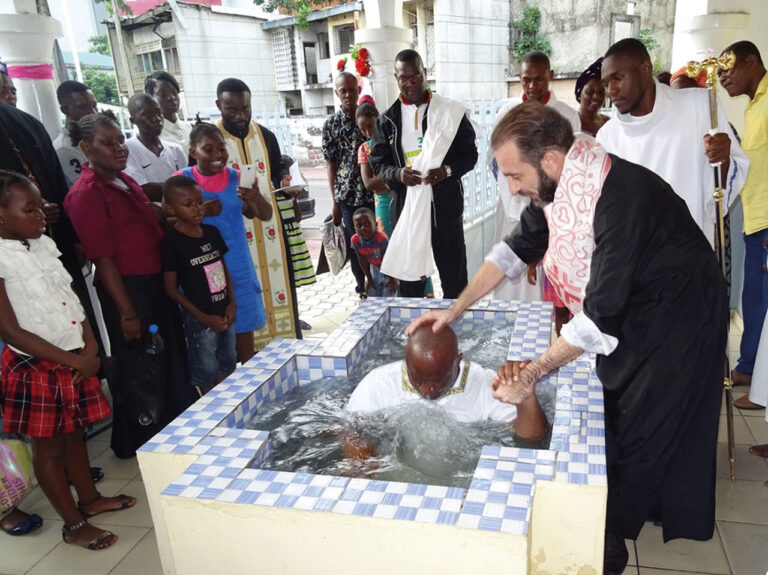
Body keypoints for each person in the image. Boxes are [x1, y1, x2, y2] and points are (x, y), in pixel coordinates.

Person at [408, 102, 728, 575]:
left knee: (645, 413)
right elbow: (515, 250)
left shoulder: (619, 197)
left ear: (551, 161)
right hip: (636, 301)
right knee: (619, 406)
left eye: (516, 176)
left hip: (679, 308)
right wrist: (456, 308)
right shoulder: (562, 186)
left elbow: (597, 320)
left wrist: (533, 371)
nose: (514, 189)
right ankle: (634, 503)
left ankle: (609, 538)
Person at [0, 171, 136, 550]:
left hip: (75, 355)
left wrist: (90, 348)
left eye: (41, 204)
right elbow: (11, 331)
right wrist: (73, 361)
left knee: (74, 433)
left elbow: (73, 303)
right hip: (38, 365)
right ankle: (73, 526)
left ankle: (90, 500)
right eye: (30, 208)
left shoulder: (42, 243)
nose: (42, 213)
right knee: (50, 449)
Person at [64, 112, 196, 459]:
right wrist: (127, 313)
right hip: (129, 290)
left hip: (153, 284)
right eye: (108, 143)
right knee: (141, 365)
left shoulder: (123, 180)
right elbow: (104, 259)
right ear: (85, 147)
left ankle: (174, 427)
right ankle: (141, 439)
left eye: (120, 140)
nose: (119, 148)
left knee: (164, 355)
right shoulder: (87, 193)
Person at [597, 38, 749, 247]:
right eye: (606, 84)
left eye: (618, 78)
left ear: (645, 69)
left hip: (689, 256)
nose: (611, 91)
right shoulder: (607, 137)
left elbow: (719, 194)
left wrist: (723, 160)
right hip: (637, 260)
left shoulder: (699, 105)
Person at [342, 323, 548, 461]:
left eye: (438, 380)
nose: (427, 390)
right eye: (418, 378)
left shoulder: (485, 385)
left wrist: (526, 399)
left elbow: (531, 440)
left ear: (458, 360)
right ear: (407, 362)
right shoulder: (379, 383)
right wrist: (359, 455)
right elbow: (347, 427)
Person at [369, 49, 477, 299]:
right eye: (403, 78)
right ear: (396, 78)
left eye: (415, 77)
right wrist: (398, 174)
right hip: (407, 208)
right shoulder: (387, 121)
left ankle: (454, 332)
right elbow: (379, 163)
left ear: (425, 74)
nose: (409, 84)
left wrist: (447, 171)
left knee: (455, 281)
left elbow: (470, 155)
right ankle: (415, 334)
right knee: (411, 285)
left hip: (445, 208)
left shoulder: (449, 112)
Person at [489, 51, 579, 303]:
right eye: (526, 79)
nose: (532, 86)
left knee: (538, 284)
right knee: (507, 276)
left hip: (547, 213)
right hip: (509, 208)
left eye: (539, 79)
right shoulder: (507, 112)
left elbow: (570, 169)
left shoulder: (566, 116)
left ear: (550, 76)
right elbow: (493, 159)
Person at [215, 78, 299, 347]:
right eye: (232, 110)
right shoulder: (212, 141)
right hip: (232, 235)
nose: (240, 116)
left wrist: (288, 183)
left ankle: (286, 351)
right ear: (219, 105)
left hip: (269, 228)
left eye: (246, 109)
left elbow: (278, 175)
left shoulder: (266, 136)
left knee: (281, 288)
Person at [177, 122, 269, 363]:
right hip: (201, 269)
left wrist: (254, 197)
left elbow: (262, 214)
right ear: (193, 151)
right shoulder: (182, 182)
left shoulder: (239, 178)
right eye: (209, 149)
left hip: (237, 264)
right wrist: (200, 210)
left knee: (244, 334)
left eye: (221, 148)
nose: (218, 155)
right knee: (210, 345)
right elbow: (168, 221)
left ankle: (249, 391)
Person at [718, 41, 768, 397]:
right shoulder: (755, 107)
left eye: (729, 69)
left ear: (751, 61)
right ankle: (752, 372)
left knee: (762, 306)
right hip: (755, 221)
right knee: (754, 301)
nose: (723, 78)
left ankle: (759, 380)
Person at [162, 175, 236, 394]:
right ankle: (211, 410)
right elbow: (171, 288)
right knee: (206, 368)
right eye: (188, 204)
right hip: (201, 319)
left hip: (225, 313)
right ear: (170, 209)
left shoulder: (212, 233)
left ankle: (227, 404)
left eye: (200, 202)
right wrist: (202, 317)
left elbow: (223, 270)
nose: (197, 209)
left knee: (228, 362)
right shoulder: (172, 242)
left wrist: (232, 303)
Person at [323, 72, 374, 300]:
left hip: (372, 193)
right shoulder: (331, 125)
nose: (348, 94)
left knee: (376, 240)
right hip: (347, 196)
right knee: (356, 244)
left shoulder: (371, 119)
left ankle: (378, 283)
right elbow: (330, 165)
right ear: (337, 93)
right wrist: (334, 201)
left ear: (358, 90)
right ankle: (361, 287)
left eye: (352, 89)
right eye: (343, 90)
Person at [124, 93, 188, 201]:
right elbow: (141, 189)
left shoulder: (176, 150)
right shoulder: (127, 150)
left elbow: (189, 183)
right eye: (147, 114)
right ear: (133, 120)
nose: (156, 118)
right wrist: (181, 190)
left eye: (158, 112)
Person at [276, 154, 315, 332]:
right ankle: (286, 319)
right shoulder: (274, 199)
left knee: (292, 283)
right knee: (283, 283)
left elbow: (297, 218)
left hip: (295, 240)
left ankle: (295, 316)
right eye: (287, 178)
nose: (291, 181)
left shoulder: (290, 197)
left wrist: (295, 200)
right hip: (283, 243)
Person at [53, 81, 98, 188]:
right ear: (66, 110)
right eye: (84, 107)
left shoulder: (92, 138)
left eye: (94, 106)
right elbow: (89, 187)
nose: (93, 113)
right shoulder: (65, 148)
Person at [350, 207, 397, 298]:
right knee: (372, 293)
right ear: (355, 228)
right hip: (375, 268)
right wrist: (369, 280)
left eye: (367, 224)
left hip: (390, 269)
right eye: (359, 225)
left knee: (388, 294)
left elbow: (389, 261)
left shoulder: (382, 239)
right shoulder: (355, 240)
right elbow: (362, 261)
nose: (363, 228)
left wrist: (393, 279)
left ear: (375, 225)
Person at [144, 71, 191, 151]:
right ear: (150, 98)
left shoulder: (190, 128)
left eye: (174, 92)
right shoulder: (152, 137)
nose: (171, 97)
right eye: (163, 94)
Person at [575, 57, 610, 136]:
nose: (596, 97)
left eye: (601, 92)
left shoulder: (607, 122)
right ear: (579, 95)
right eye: (590, 92)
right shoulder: (571, 121)